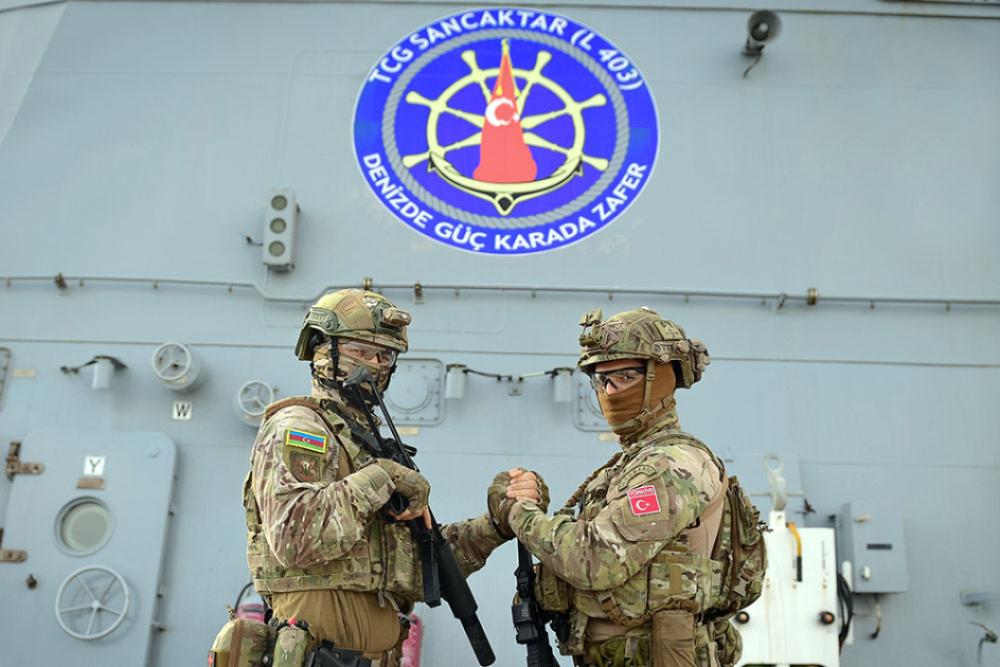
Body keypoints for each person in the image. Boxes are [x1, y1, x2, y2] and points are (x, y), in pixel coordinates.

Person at [243, 288, 546, 666]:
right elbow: (296, 540)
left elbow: (421, 569)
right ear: (323, 350)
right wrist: (382, 476)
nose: (374, 364)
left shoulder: (367, 445)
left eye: (384, 355)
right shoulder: (301, 428)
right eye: (359, 350)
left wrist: (497, 521)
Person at [494, 306, 757, 667]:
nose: (610, 391)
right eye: (601, 380)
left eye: (625, 376)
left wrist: (518, 511)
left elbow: (595, 559)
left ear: (663, 376)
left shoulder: (671, 464)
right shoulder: (631, 463)